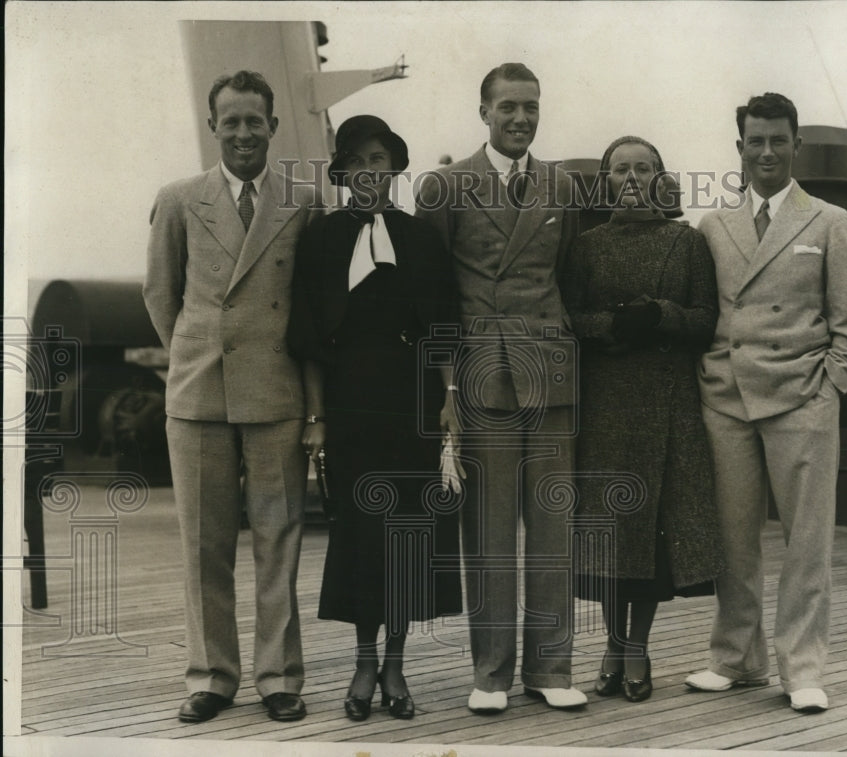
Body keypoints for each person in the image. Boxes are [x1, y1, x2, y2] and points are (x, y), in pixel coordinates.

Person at [685, 92, 847, 713]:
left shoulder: (828, 221)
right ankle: (736, 658)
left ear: (797, 146)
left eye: (778, 140)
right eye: (755, 141)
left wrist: (830, 388)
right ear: (739, 148)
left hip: (802, 401)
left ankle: (802, 668)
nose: (766, 151)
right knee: (734, 539)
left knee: (807, 541)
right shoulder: (713, 225)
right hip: (727, 399)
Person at [143, 70, 320, 723]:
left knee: (281, 538)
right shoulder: (179, 199)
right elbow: (161, 298)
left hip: (275, 392)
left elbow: (309, 302)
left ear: (273, 127)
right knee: (203, 543)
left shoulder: (304, 201)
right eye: (232, 121)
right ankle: (212, 675)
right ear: (212, 126)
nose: (244, 132)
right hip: (199, 395)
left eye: (255, 120)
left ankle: (278, 675)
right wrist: (200, 352)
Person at [414, 62, 586, 712]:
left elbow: (566, 272)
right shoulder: (444, 186)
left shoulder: (563, 185)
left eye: (531, 107)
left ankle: (553, 667)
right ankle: (490, 673)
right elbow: (432, 297)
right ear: (483, 111)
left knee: (552, 527)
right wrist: (446, 387)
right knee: (486, 533)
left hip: (549, 372)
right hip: (481, 373)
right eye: (508, 106)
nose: (521, 118)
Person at [288, 115, 464, 722]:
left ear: (393, 168)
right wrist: (317, 416)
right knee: (364, 537)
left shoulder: (420, 239)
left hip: (413, 403)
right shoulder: (321, 239)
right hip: (351, 404)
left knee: (407, 536)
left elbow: (444, 325)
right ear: (343, 171)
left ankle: (396, 665)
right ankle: (364, 662)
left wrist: (449, 397)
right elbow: (309, 338)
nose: (370, 172)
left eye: (379, 160)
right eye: (358, 161)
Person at [564, 136, 724, 703]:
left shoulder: (687, 243)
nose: (631, 178)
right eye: (620, 169)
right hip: (606, 404)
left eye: (644, 169)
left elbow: (706, 319)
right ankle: (611, 643)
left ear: (661, 178)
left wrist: (660, 315)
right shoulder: (585, 246)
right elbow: (569, 317)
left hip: (667, 406)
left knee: (652, 532)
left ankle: (636, 648)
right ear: (605, 180)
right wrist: (610, 324)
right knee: (612, 531)